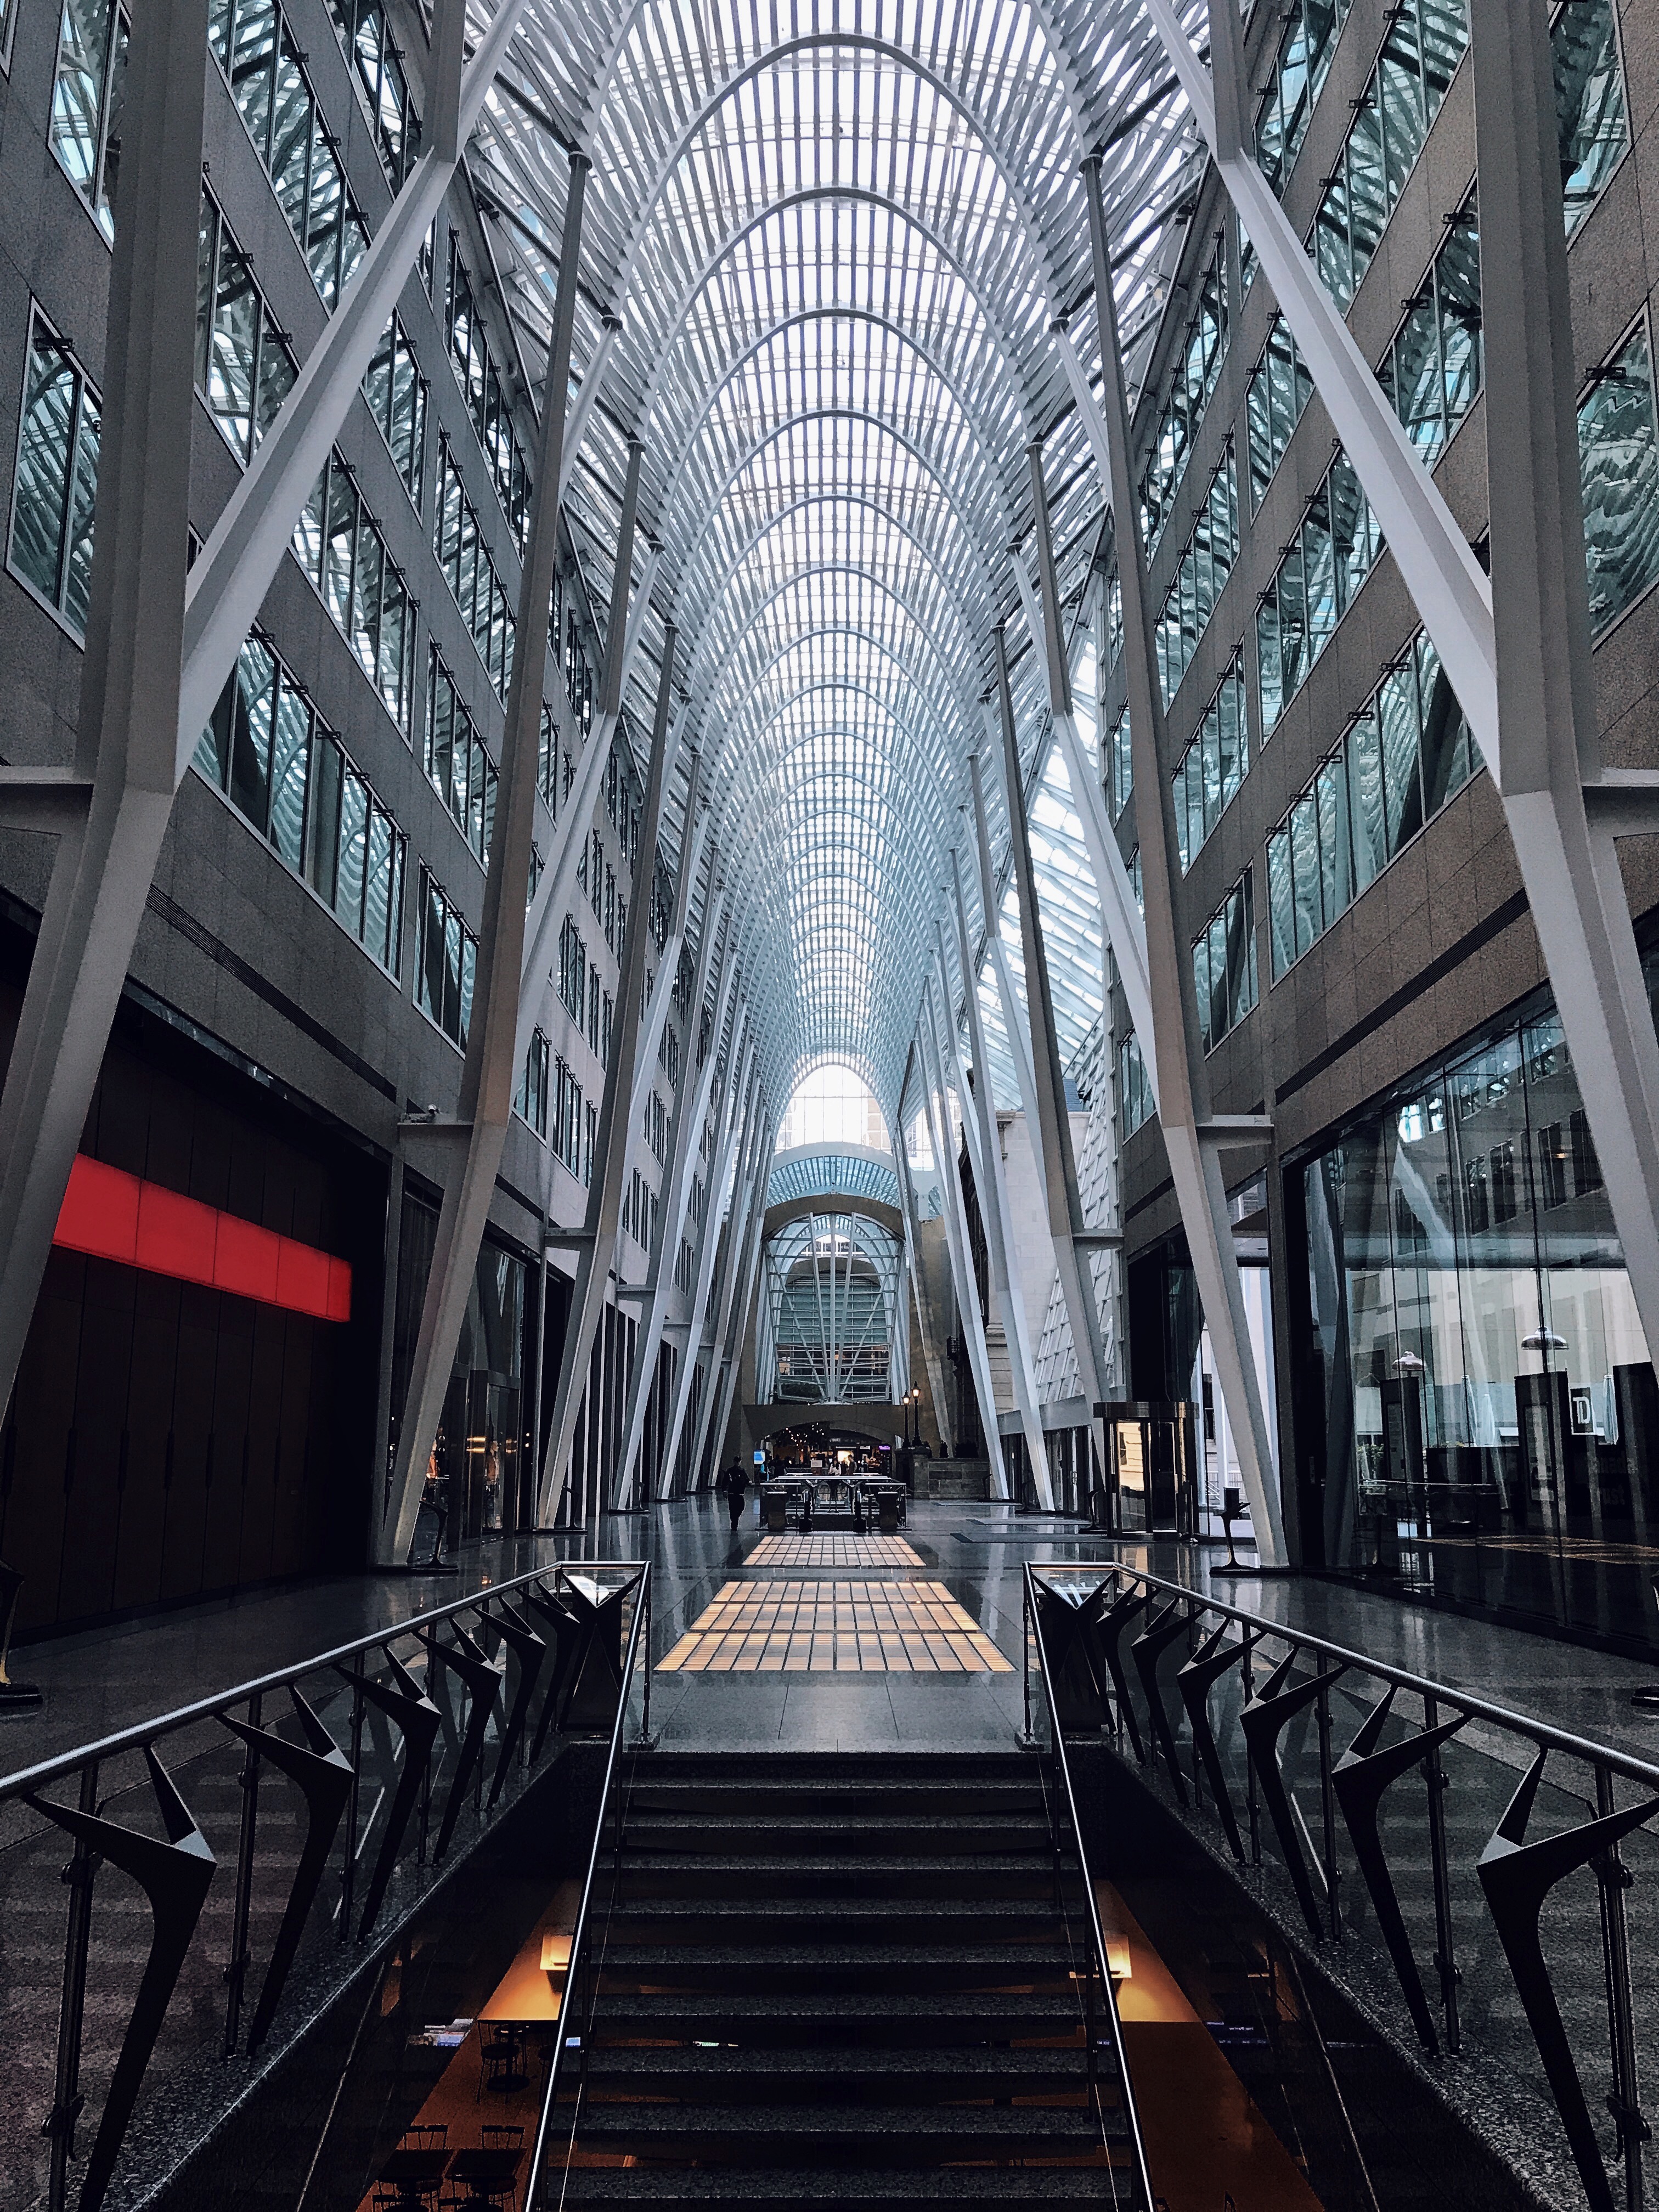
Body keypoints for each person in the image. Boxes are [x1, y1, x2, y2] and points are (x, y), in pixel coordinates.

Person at [721, 1458, 747, 1530]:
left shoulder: (742, 1471)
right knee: (733, 1509)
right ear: (734, 1462)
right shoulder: (730, 1471)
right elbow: (725, 1481)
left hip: (740, 1493)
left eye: (739, 1461)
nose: (738, 1463)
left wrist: (749, 1483)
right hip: (732, 1493)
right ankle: (734, 1523)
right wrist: (724, 1490)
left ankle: (735, 1519)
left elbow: (746, 1479)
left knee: (741, 1507)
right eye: (737, 1461)